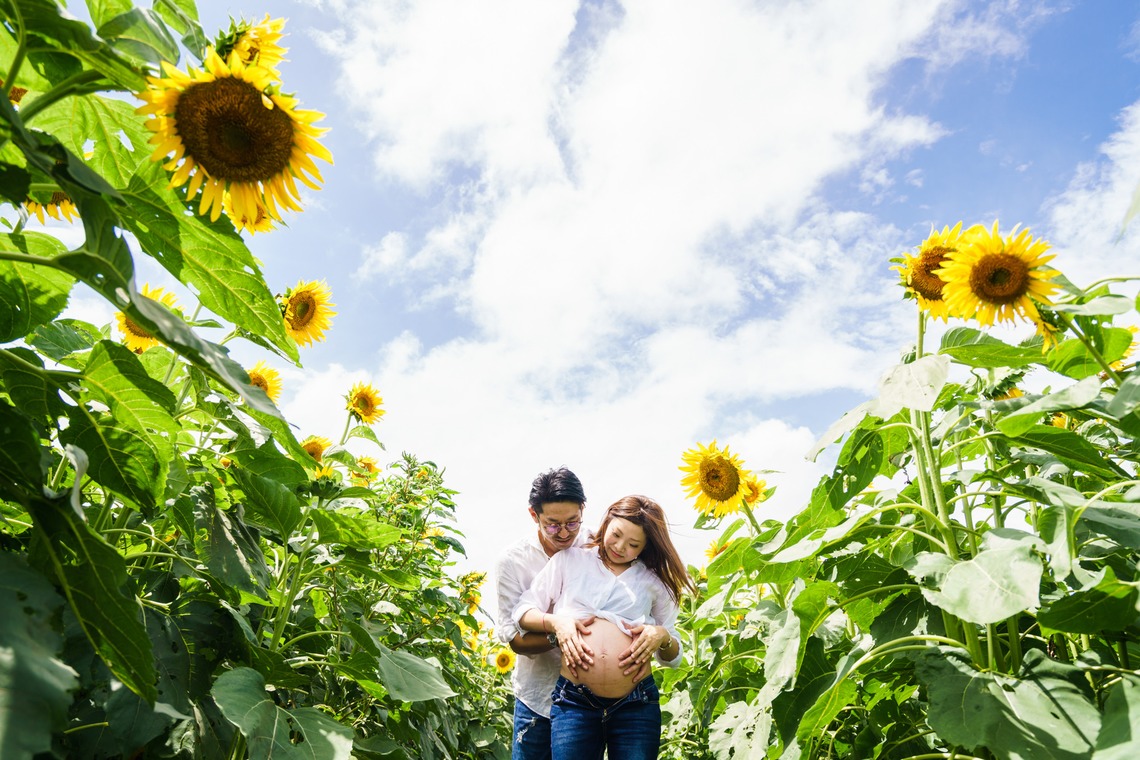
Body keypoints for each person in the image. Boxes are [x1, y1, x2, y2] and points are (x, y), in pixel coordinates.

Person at [512, 495, 696, 760]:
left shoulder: (654, 581)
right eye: (616, 534)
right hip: (575, 701)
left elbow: (674, 657)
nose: (620, 547)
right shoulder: (571, 560)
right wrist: (557, 623)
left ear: (645, 547)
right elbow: (523, 612)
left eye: (633, 544)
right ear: (606, 521)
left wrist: (662, 636)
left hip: (636, 704)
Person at [494, 467, 593, 760]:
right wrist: (561, 633)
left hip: (588, 699)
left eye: (572, 522)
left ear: (582, 510)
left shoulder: (596, 546)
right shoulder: (512, 562)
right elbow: (516, 641)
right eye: (552, 525)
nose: (563, 533)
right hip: (537, 698)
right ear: (533, 515)